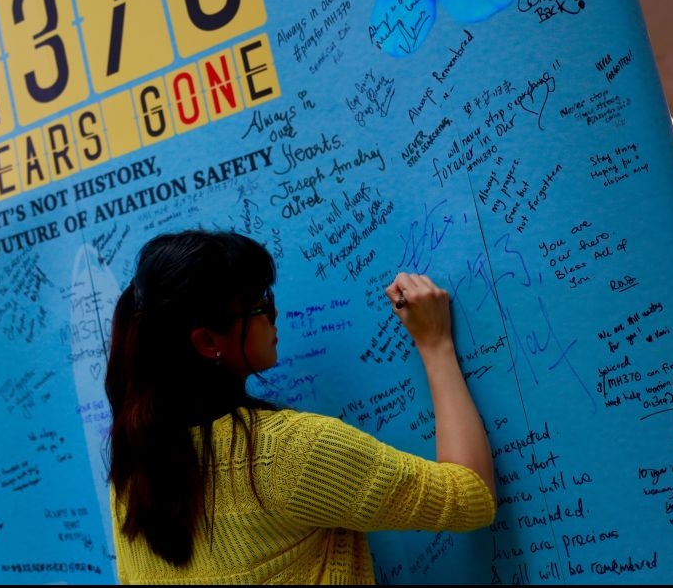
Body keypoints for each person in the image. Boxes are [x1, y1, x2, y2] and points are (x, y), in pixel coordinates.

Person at [105, 229, 496, 584]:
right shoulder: (287, 453)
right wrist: (435, 342)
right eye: (261, 305)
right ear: (209, 342)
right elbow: (470, 498)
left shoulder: (132, 473)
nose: (275, 315)